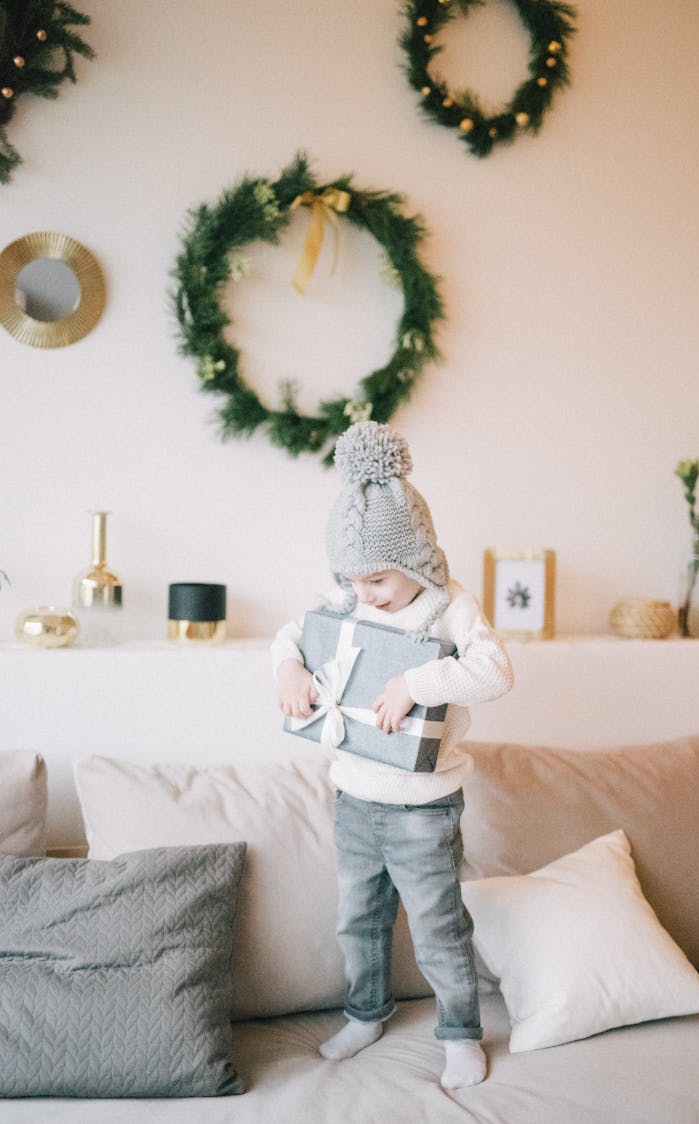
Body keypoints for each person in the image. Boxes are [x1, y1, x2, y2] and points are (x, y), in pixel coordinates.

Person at [271, 421, 513, 1091]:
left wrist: (416, 683)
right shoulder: (346, 599)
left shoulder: (446, 606)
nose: (368, 594)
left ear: (412, 561)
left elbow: (495, 672)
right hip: (353, 798)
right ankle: (365, 1012)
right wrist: (288, 670)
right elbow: (289, 638)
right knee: (358, 920)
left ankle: (461, 1035)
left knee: (438, 928)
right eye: (354, 580)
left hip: (423, 810)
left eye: (379, 579)